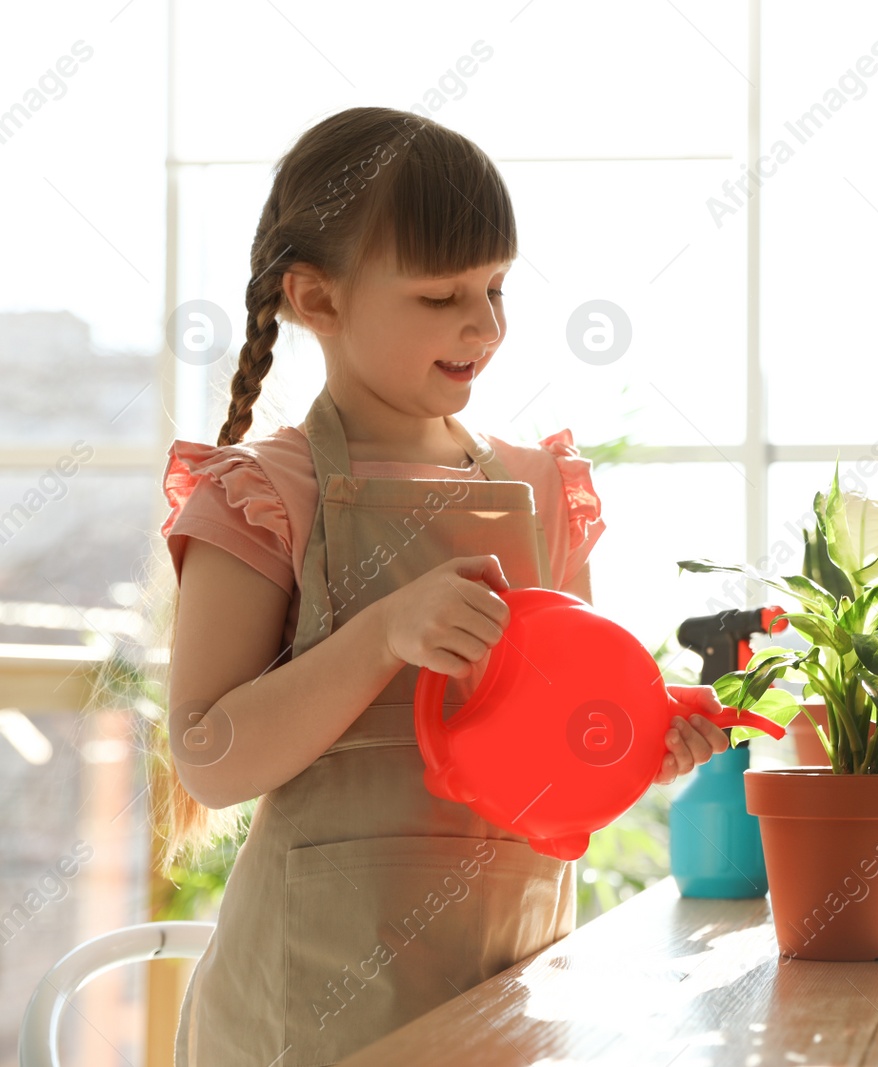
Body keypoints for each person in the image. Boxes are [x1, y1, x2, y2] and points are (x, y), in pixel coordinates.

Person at [159, 107, 730, 1065]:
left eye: (497, 286)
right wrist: (383, 634)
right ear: (316, 298)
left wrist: (640, 740)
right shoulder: (266, 494)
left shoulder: (545, 490)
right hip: (312, 1015)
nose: (486, 324)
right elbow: (209, 760)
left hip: (516, 987)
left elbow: (559, 742)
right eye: (440, 297)